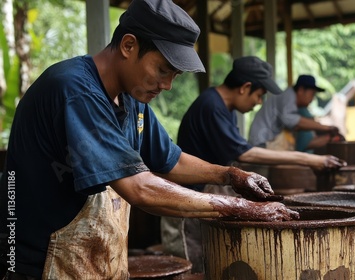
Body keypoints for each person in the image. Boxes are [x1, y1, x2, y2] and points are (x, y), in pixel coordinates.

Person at [0, 1, 298, 279]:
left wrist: (231, 175)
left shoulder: (133, 100)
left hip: (90, 261)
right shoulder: (74, 89)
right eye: (163, 69)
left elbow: (173, 160)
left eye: (175, 75)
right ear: (129, 45)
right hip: (36, 262)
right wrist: (242, 208)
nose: (167, 85)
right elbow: (139, 187)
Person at [162, 56, 346, 272]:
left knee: (207, 263)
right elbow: (246, 154)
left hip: (202, 196)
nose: (259, 102)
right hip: (186, 199)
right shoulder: (211, 106)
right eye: (259, 95)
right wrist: (310, 159)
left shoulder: (223, 108)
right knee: (189, 267)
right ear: (245, 87)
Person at [249, 74, 343, 150]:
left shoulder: (292, 103)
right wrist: (327, 128)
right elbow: (293, 121)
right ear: (301, 90)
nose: (312, 98)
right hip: (261, 143)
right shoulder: (288, 97)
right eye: (312, 94)